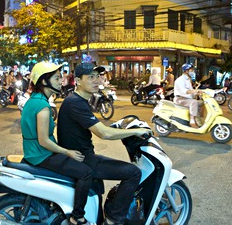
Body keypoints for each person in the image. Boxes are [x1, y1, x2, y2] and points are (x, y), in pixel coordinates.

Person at [57, 62, 152, 225]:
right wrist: (136, 132)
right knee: (133, 173)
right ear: (78, 81)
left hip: (81, 156)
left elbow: (99, 126)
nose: (96, 81)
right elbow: (104, 133)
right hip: (82, 159)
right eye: (91, 77)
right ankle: (114, 219)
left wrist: (120, 127)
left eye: (98, 77)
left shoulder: (78, 100)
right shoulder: (75, 103)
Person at [21, 62, 92, 225]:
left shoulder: (34, 100)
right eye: (57, 78)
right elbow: (44, 141)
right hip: (42, 155)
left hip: (34, 152)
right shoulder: (43, 107)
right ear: (44, 81)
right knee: (86, 172)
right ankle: (77, 216)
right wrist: (68, 152)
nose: (62, 81)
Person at [173, 63, 203, 128]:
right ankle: (192, 121)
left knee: (202, 102)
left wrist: (198, 94)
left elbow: (191, 90)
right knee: (194, 102)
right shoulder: (180, 80)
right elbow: (185, 91)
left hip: (186, 98)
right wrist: (196, 91)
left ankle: (198, 121)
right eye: (191, 70)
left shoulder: (188, 79)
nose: (193, 72)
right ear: (186, 71)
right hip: (180, 99)